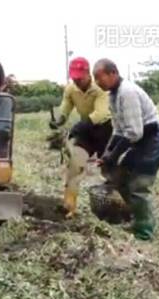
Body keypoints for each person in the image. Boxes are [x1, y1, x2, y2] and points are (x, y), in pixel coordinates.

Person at [93, 58, 159, 241]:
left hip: (155, 141)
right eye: (95, 79)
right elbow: (119, 130)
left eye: (100, 77)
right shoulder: (113, 95)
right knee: (119, 177)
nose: (97, 82)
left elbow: (134, 133)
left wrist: (113, 155)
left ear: (113, 73)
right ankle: (138, 217)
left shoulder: (127, 92)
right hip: (142, 141)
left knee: (138, 186)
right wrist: (107, 155)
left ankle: (145, 232)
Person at [49, 57, 113, 218]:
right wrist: (59, 120)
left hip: (105, 130)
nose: (77, 81)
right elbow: (65, 108)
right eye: (74, 78)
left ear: (87, 73)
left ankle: (117, 208)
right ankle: (69, 208)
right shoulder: (71, 90)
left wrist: (79, 126)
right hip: (86, 132)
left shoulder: (100, 89)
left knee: (111, 169)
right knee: (75, 166)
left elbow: (100, 114)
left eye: (80, 78)